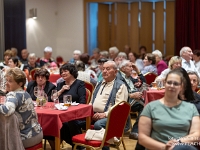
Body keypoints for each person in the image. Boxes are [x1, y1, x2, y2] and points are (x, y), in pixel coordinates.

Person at [139, 68, 200, 150]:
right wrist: (165, 147)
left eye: (176, 83)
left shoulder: (191, 107)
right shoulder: (151, 107)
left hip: (182, 146)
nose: (172, 86)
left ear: (181, 87)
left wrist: (177, 143)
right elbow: (142, 138)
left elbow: (196, 135)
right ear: (164, 83)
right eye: (169, 82)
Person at [90, 61, 128, 150]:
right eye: (103, 69)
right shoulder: (99, 83)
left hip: (111, 117)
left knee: (98, 125)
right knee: (73, 122)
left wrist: (104, 114)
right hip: (94, 115)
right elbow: (91, 102)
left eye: (108, 69)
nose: (104, 71)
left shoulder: (120, 85)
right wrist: (88, 112)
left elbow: (120, 109)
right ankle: (81, 147)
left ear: (115, 72)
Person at [0, 68, 43, 148]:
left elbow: (7, 110)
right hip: (38, 134)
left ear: (20, 83)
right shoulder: (26, 93)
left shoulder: (13, 94)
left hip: (25, 139)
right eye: (6, 80)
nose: (6, 83)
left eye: (10, 81)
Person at [56, 63, 86, 150]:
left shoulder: (79, 84)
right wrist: (61, 90)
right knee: (56, 123)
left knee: (67, 123)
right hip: (61, 113)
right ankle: (77, 145)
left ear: (72, 72)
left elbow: (82, 102)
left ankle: (78, 146)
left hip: (76, 115)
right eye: (61, 72)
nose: (63, 73)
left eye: (65, 71)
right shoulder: (60, 84)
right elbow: (53, 99)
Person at [117, 60, 144, 138]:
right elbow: (116, 93)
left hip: (135, 100)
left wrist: (138, 71)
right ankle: (135, 131)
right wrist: (131, 95)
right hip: (126, 101)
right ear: (123, 68)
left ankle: (143, 130)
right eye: (130, 67)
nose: (132, 69)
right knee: (146, 106)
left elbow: (144, 83)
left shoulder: (128, 77)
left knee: (150, 105)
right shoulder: (118, 77)